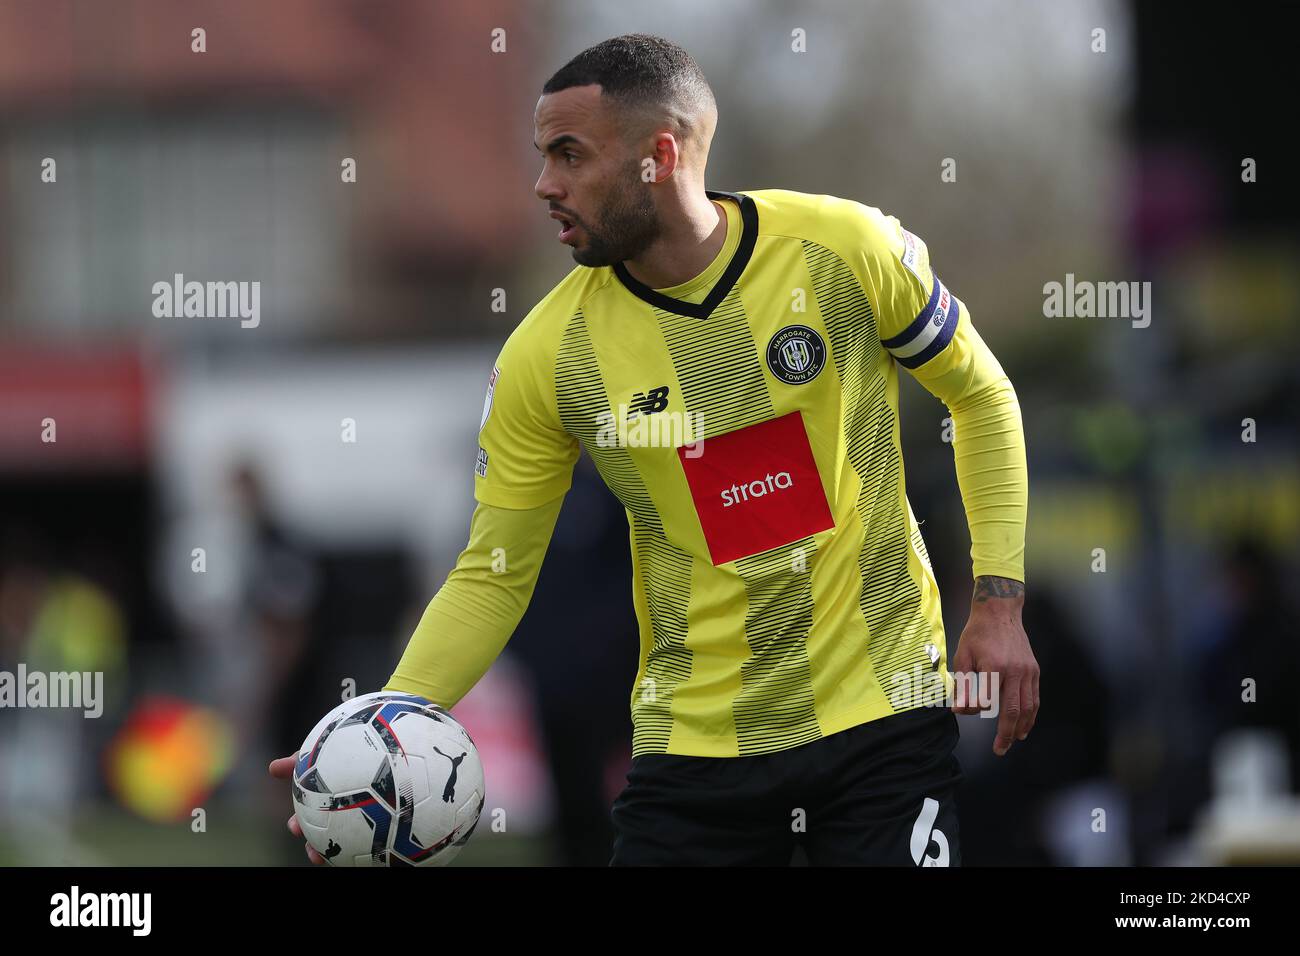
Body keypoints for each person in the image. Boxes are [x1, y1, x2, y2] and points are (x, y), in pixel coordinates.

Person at [271, 33, 1037, 866]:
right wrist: (380, 734)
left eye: (569, 155)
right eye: (541, 157)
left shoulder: (844, 250)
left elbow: (982, 395)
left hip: (883, 715)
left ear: (658, 156)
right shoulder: (548, 355)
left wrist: (998, 604)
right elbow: (494, 569)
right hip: (695, 754)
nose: (543, 185)